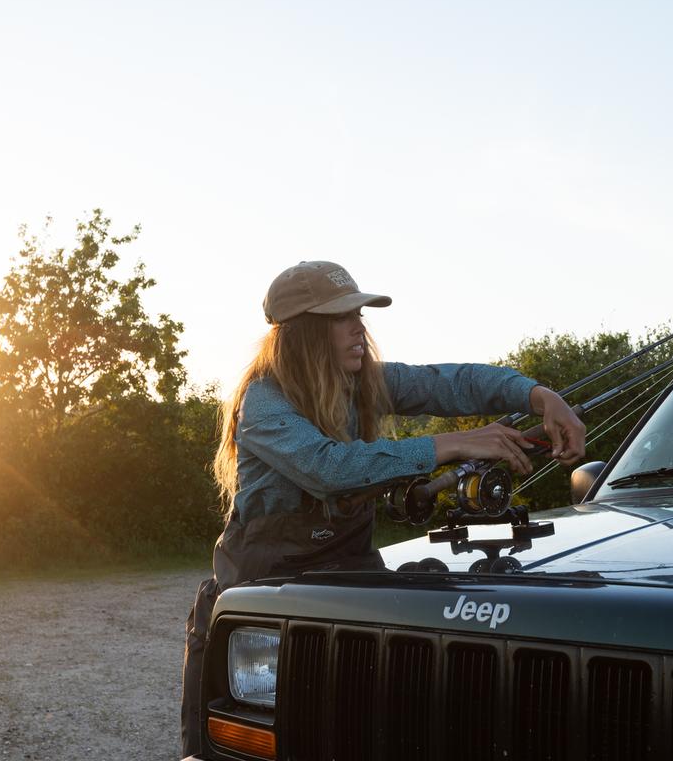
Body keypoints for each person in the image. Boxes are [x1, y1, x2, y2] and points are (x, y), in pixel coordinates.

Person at [181, 260, 585, 757]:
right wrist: (454, 444)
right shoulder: (263, 400)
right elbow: (329, 468)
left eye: (359, 313)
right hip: (264, 590)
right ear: (303, 333)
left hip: (348, 575)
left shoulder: (364, 382)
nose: (359, 327)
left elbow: (448, 383)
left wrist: (538, 394)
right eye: (341, 317)